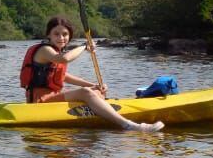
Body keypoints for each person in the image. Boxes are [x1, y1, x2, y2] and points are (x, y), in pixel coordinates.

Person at [23, 16, 164, 132]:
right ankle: (128, 125)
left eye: (65, 34)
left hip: (53, 94)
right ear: (49, 35)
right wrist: (84, 46)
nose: (61, 38)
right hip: (40, 99)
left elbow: (63, 76)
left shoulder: (55, 50)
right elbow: (65, 59)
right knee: (85, 93)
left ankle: (104, 110)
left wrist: (93, 85)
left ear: (70, 35)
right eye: (56, 34)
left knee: (95, 91)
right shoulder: (45, 50)